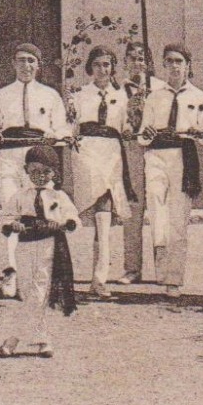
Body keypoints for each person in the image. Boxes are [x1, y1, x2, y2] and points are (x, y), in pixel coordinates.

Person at [0, 43, 72, 298]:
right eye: (21, 60)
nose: (26, 66)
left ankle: (38, 274)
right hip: (9, 158)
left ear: (38, 65)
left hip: (39, 161)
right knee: (12, 214)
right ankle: (10, 271)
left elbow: (63, 129)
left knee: (41, 216)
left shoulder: (50, 95)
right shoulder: (1, 95)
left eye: (31, 61)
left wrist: (54, 136)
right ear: (13, 64)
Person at [138, 44, 203, 298]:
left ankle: (174, 279)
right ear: (164, 65)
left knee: (178, 218)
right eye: (169, 61)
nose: (174, 66)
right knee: (156, 209)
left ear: (187, 65)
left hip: (183, 157)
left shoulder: (199, 98)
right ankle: (161, 260)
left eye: (179, 61)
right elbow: (142, 135)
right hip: (156, 156)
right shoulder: (154, 96)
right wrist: (146, 135)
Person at [0, 146, 78, 358]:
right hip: (25, 245)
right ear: (26, 171)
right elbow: (5, 217)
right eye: (34, 172)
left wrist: (60, 223)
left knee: (40, 290)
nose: (40, 177)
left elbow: (72, 218)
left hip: (49, 246)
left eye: (45, 172)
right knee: (26, 290)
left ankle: (12, 340)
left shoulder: (58, 196)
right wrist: (13, 225)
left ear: (54, 172)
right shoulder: (20, 195)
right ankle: (43, 339)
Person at [65, 46, 132, 299]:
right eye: (97, 65)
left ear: (113, 67)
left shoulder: (122, 96)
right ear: (90, 68)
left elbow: (126, 126)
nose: (102, 70)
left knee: (104, 215)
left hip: (112, 153)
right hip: (87, 152)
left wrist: (128, 128)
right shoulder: (79, 94)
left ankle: (99, 277)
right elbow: (71, 126)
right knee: (89, 212)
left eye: (107, 65)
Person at [117, 43, 157, 285]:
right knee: (132, 210)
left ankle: (162, 268)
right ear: (125, 61)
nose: (137, 63)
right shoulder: (118, 90)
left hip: (157, 150)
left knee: (159, 209)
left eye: (141, 59)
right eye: (132, 58)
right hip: (131, 151)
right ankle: (132, 268)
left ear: (149, 63)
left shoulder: (159, 88)